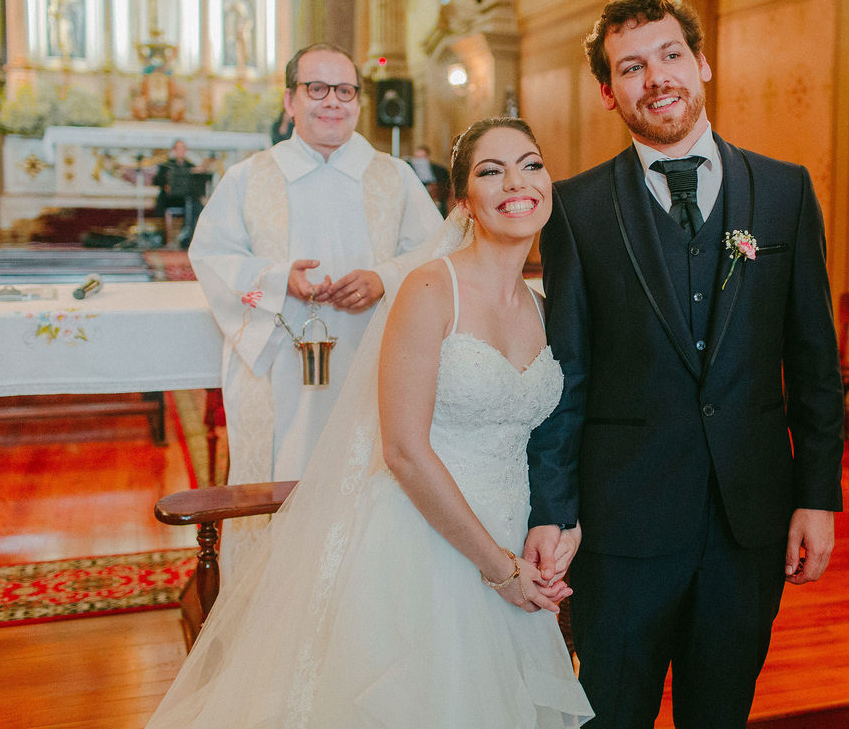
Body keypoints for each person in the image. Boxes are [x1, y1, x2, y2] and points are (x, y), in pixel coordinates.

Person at [147, 117, 593, 728]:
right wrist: (498, 568)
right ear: (462, 200)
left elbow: (543, 434)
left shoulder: (543, 309)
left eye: (531, 164)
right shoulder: (430, 289)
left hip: (513, 534)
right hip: (421, 543)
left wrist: (554, 526)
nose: (517, 182)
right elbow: (405, 449)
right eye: (492, 171)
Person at [524, 0, 844, 729]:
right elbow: (564, 375)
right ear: (609, 93)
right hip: (623, 524)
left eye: (670, 55)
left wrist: (816, 494)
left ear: (701, 62)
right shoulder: (575, 208)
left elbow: (813, 355)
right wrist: (555, 508)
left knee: (721, 713)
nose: (656, 77)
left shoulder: (784, 190)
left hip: (749, 519)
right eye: (631, 67)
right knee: (612, 713)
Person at [188, 42, 442, 572]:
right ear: (290, 99)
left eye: (345, 91)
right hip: (279, 364)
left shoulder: (393, 178)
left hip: (374, 359)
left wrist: (383, 277)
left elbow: (438, 254)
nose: (333, 102)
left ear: (358, 100)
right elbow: (211, 257)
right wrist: (280, 281)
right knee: (285, 482)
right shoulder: (248, 179)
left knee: (369, 483)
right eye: (317, 89)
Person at [152, 140, 197, 218]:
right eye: (179, 149)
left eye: (183, 149)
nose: (181, 151)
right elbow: (157, 180)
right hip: (169, 198)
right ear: (174, 150)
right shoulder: (166, 166)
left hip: (186, 198)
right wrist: (166, 184)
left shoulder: (191, 166)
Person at [409, 144, 452, 217]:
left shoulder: (440, 170)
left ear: (428, 157)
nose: (419, 161)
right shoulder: (410, 169)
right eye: (417, 158)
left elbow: (446, 188)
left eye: (422, 157)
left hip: (436, 203)